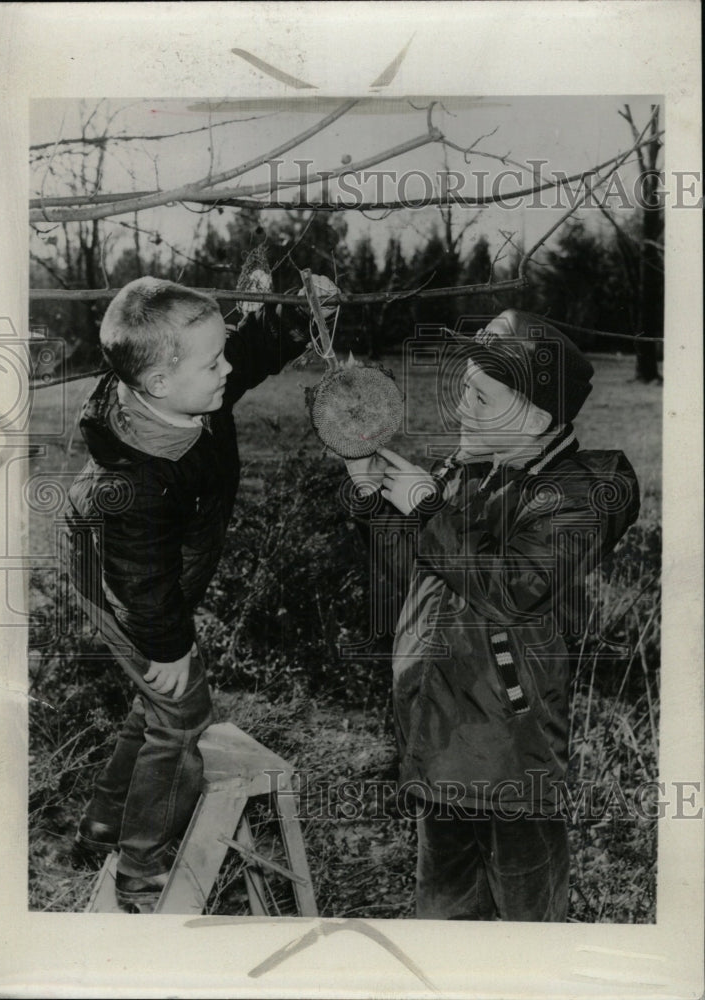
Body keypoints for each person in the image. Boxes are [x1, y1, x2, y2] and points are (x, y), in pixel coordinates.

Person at [343, 309, 640, 921]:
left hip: (511, 755)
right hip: (440, 733)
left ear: (532, 417)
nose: (461, 410)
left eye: (480, 397)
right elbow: (421, 578)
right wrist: (375, 499)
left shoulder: (578, 495)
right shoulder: (471, 470)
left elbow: (513, 587)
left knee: (527, 927)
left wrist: (427, 509)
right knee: (444, 916)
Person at [62, 275, 328, 913]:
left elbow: (246, 353)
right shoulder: (133, 481)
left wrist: (293, 315)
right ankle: (141, 866)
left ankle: (104, 821)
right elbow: (141, 580)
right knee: (182, 713)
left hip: (149, 575)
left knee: (156, 698)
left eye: (222, 354)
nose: (227, 369)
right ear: (158, 384)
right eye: (215, 362)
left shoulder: (188, 387)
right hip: (121, 584)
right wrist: (170, 646)